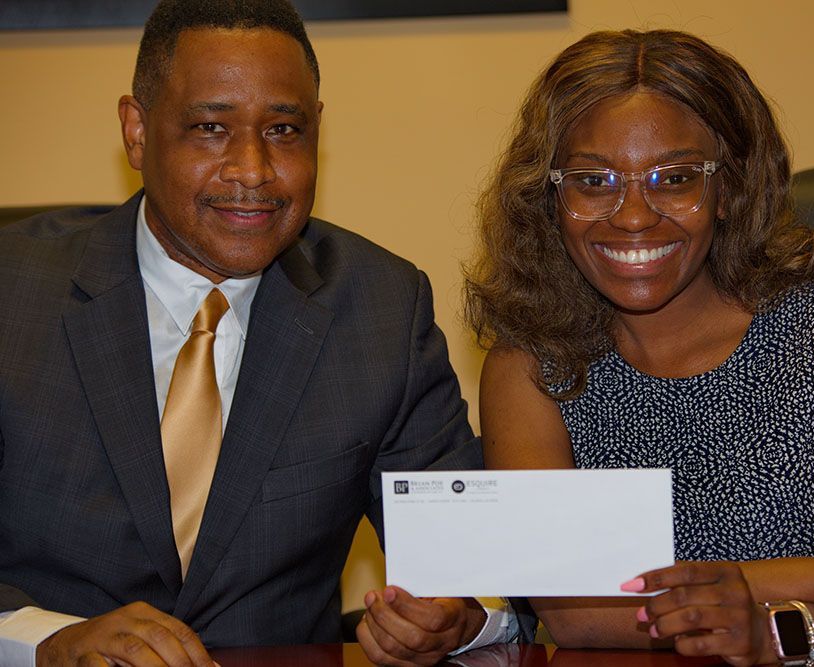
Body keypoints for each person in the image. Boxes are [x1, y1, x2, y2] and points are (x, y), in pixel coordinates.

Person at [0, 1, 524, 665]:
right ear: (136, 132)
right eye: (210, 128)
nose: (252, 170)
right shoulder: (13, 294)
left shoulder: (380, 307)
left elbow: (475, 568)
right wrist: (43, 638)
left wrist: (460, 616)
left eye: (283, 129)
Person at [465, 29, 814, 666]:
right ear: (550, 196)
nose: (632, 215)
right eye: (593, 181)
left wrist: (771, 636)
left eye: (674, 178)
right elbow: (576, 612)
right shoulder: (532, 366)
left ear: (729, 187)